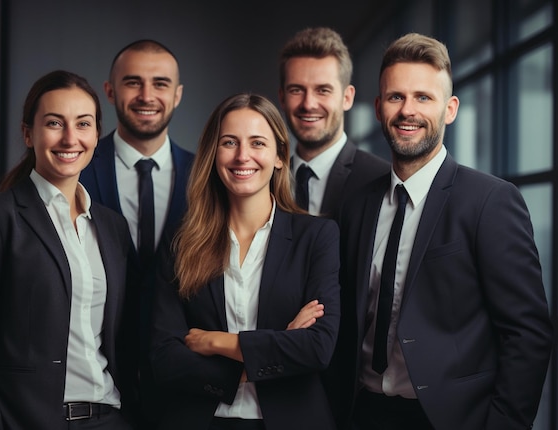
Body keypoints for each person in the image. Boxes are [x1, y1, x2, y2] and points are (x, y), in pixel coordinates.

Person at [333, 33, 554, 430]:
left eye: (423, 97)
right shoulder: (357, 205)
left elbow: (527, 334)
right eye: (396, 97)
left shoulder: (490, 202)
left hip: (451, 420)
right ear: (378, 106)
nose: (408, 111)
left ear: (450, 109)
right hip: (362, 413)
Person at [0, 70, 137, 429]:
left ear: (96, 135)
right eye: (54, 123)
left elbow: (124, 340)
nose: (70, 137)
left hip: (110, 419)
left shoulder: (112, 228)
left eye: (83, 124)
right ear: (28, 133)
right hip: (30, 421)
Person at [150, 93, 341, 430]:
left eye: (257, 143)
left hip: (292, 420)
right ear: (213, 154)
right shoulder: (180, 241)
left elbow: (317, 347)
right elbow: (164, 356)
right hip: (199, 420)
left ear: (280, 156)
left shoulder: (317, 237)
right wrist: (273, 349)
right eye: (229, 143)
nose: (242, 156)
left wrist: (217, 342)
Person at [79, 39, 195, 428]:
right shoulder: (75, 169)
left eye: (160, 84)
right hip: (97, 387)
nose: (147, 95)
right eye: (133, 82)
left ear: (177, 95)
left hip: (186, 387)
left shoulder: (208, 178)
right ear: (109, 91)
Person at [278, 26, 389, 217]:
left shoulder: (381, 181)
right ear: (282, 98)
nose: (308, 104)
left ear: (347, 97)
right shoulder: (268, 181)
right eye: (296, 90)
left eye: (323, 90)